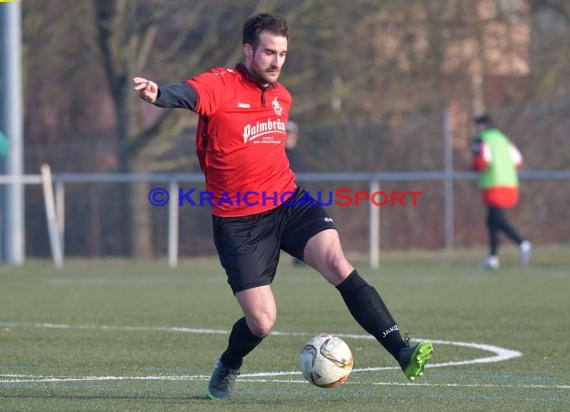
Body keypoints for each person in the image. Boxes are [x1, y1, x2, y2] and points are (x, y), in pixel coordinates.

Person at [133, 12, 432, 401]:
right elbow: (189, 94)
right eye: (269, 52)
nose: (277, 61)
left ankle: (402, 350)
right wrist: (159, 94)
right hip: (238, 223)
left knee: (339, 264)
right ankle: (229, 363)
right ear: (248, 50)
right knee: (261, 321)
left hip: (289, 202)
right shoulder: (219, 85)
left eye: (283, 54)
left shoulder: (281, 97)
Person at [471, 113, 532, 270]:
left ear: (481, 126)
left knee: (498, 220)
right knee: (491, 220)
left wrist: (473, 167)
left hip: (494, 185)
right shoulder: (504, 139)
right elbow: (518, 161)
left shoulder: (482, 139)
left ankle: (522, 243)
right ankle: (493, 258)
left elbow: (481, 163)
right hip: (510, 184)